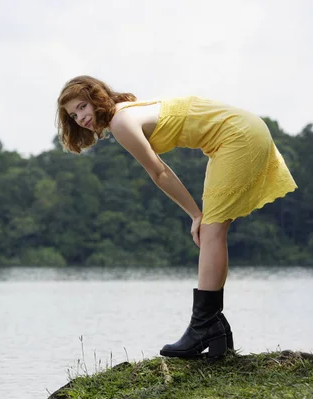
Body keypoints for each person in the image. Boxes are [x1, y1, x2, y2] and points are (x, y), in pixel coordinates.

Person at [56, 75, 298, 358]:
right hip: (241, 132)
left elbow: (159, 172)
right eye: (73, 115)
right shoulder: (128, 109)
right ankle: (216, 329)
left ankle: (203, 326)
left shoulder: (122, 122)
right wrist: (197, 214)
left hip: (237, 137)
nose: (81, 117)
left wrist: (195, 214)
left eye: (83, 106)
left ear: (97, 97)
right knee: (212, 231)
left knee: (210, 231)